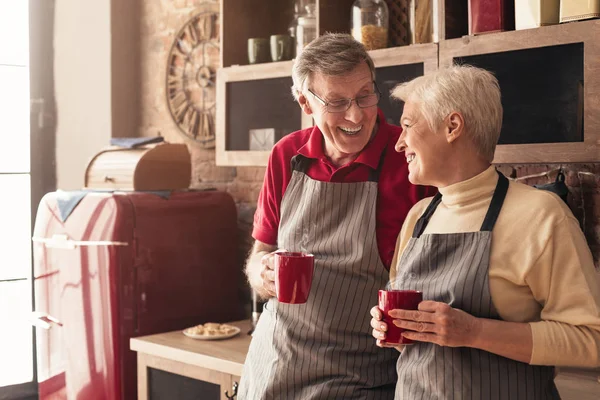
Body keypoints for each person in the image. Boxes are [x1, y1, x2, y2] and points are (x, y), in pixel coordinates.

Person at [369, 65, 600, 399]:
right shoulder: (418, 218)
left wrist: (474, 332)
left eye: (407, 125)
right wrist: (393, 328)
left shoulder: (541, 216)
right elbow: (416, 346)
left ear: (452, 126)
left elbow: (590, 339)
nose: (399, 144)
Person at [237, 33, 434, 399]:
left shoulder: (410, 157)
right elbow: (257, 256)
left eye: (365, 96)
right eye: (338, 102)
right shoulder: (286, 155)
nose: (356, 115)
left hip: (363, 379)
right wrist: (262, 273)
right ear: (305, 102)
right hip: (274, 368)